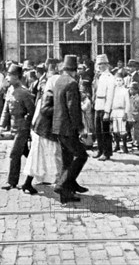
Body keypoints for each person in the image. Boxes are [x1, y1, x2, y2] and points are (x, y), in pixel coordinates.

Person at [43, 55, 88, 204]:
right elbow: (72, 109)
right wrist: (80, 128)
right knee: (81, 156)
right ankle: (62, 185)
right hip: (68, 128)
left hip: (58, 127)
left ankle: (66, 194)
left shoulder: (59, 81)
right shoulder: (72, 83)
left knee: (67, 159)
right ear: (74, 70)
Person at [22, 63, 62, 194]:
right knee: (52, 157)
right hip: (45, 132)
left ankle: (29, 183)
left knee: (38, 158)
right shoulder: (50, 98)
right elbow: (45, 112)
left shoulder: (47, 97)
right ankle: (61, 185)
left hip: (42, 131)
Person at [0, 64, 35, 191]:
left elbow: (32, 111)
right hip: (14, 127)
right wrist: (2, 125)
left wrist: (26, 124)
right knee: (28, 153)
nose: (8, 78)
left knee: (14, 154)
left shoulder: (24, 92)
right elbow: (6, 109)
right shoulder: (10, 90)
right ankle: (40, 171)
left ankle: (12, 182)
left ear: (18, 77)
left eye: (10, 75)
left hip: (22, 128)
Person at [92, 54, 115, 161]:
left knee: (105, 131)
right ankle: (100, 150)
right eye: (98, 64)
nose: (99, 66)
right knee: (98, 131)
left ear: (107, 65)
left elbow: (110, 95)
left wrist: (107, 111)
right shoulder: (99, 76)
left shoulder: (110, 77)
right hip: (98, 105)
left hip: (105, 106)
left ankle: (107, 152)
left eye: (102, 64)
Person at [111, 71, 131, 153]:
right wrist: (111, 112)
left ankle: (125, 146)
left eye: (120, 80)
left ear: (123, 81)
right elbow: (111, 101)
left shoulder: (125, 91)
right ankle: (117, 145)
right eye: (117, 80)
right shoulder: (113, 90)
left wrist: (126, 113)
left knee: (123, 129)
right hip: (115, 110)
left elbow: (127, 103)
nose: (118, 82)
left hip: (122, 110)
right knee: (115, 129)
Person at [128, 81, 139, 150]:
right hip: (131, 115)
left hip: (136, 115)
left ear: (135, 90)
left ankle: (138, 143)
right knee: (133, 130)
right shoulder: (131, 97)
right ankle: (134, 141)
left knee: (136, 130)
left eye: (131, 89)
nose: (130, 91)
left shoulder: (137, 98)